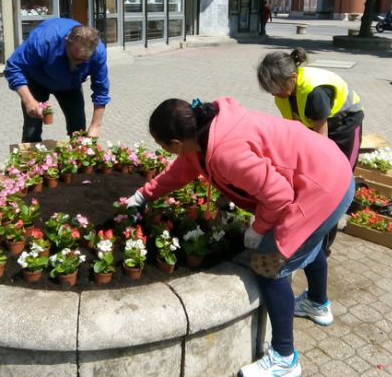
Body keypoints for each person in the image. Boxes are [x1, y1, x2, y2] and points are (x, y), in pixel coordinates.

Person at [126, 97, 354, 377]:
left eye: (162, 145)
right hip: (328, 169)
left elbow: (278, 195)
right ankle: (318, 304)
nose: (164, 150)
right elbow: (182, 170)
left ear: (175, 143)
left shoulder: (225, 151)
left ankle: (285, 358)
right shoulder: (204, 130)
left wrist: (258, 230)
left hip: (324, 187)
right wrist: (144, 194)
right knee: (306, 241)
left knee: (269, 265)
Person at [257, 47, 363, 257]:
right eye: (270, 90)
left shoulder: (314, 93)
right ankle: (307, 230)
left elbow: (321, 143)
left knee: (335, 185)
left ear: (293, 78)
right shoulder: (285, 93)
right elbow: (295, 132)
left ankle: (324, 246)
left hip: (344, 128)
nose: (273, 93)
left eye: (275, 88)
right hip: (317, 126)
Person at [4, 18, 110, 142]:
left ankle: (75, 159)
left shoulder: (98, 52)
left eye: (84, 60)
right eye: (75, 58)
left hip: (70, 85)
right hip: (38, 80)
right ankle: (31, 158)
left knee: (78, 131)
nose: (78, 63)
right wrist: (29, 101)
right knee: (32, 130)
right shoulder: (44, 40)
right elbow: (13, 67)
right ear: (66, 42)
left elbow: (101, 90)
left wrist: (96, 125)